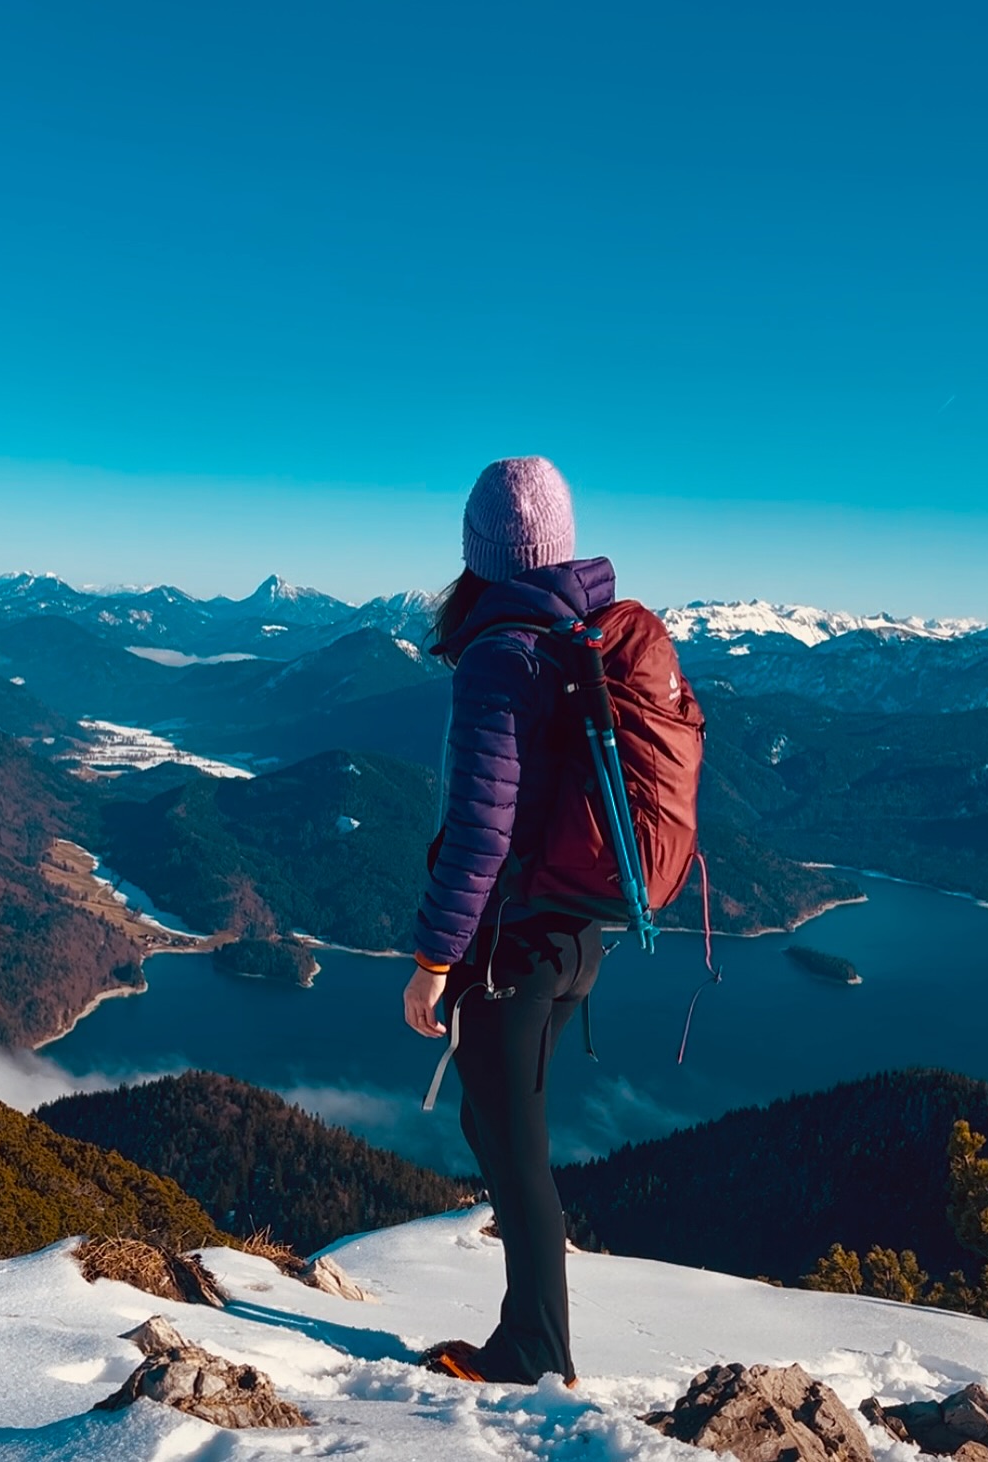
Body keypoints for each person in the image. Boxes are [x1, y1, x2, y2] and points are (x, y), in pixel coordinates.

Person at [403, 456, 612, 1388]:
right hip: (575, 942)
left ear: (478, 553)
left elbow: (481, 832)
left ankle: (536, 1354)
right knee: (496, 1132)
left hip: (510, 950)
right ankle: (529, 1335)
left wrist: (432, 960)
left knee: (516, 1156)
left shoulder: (499, 654)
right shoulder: (582, 636)